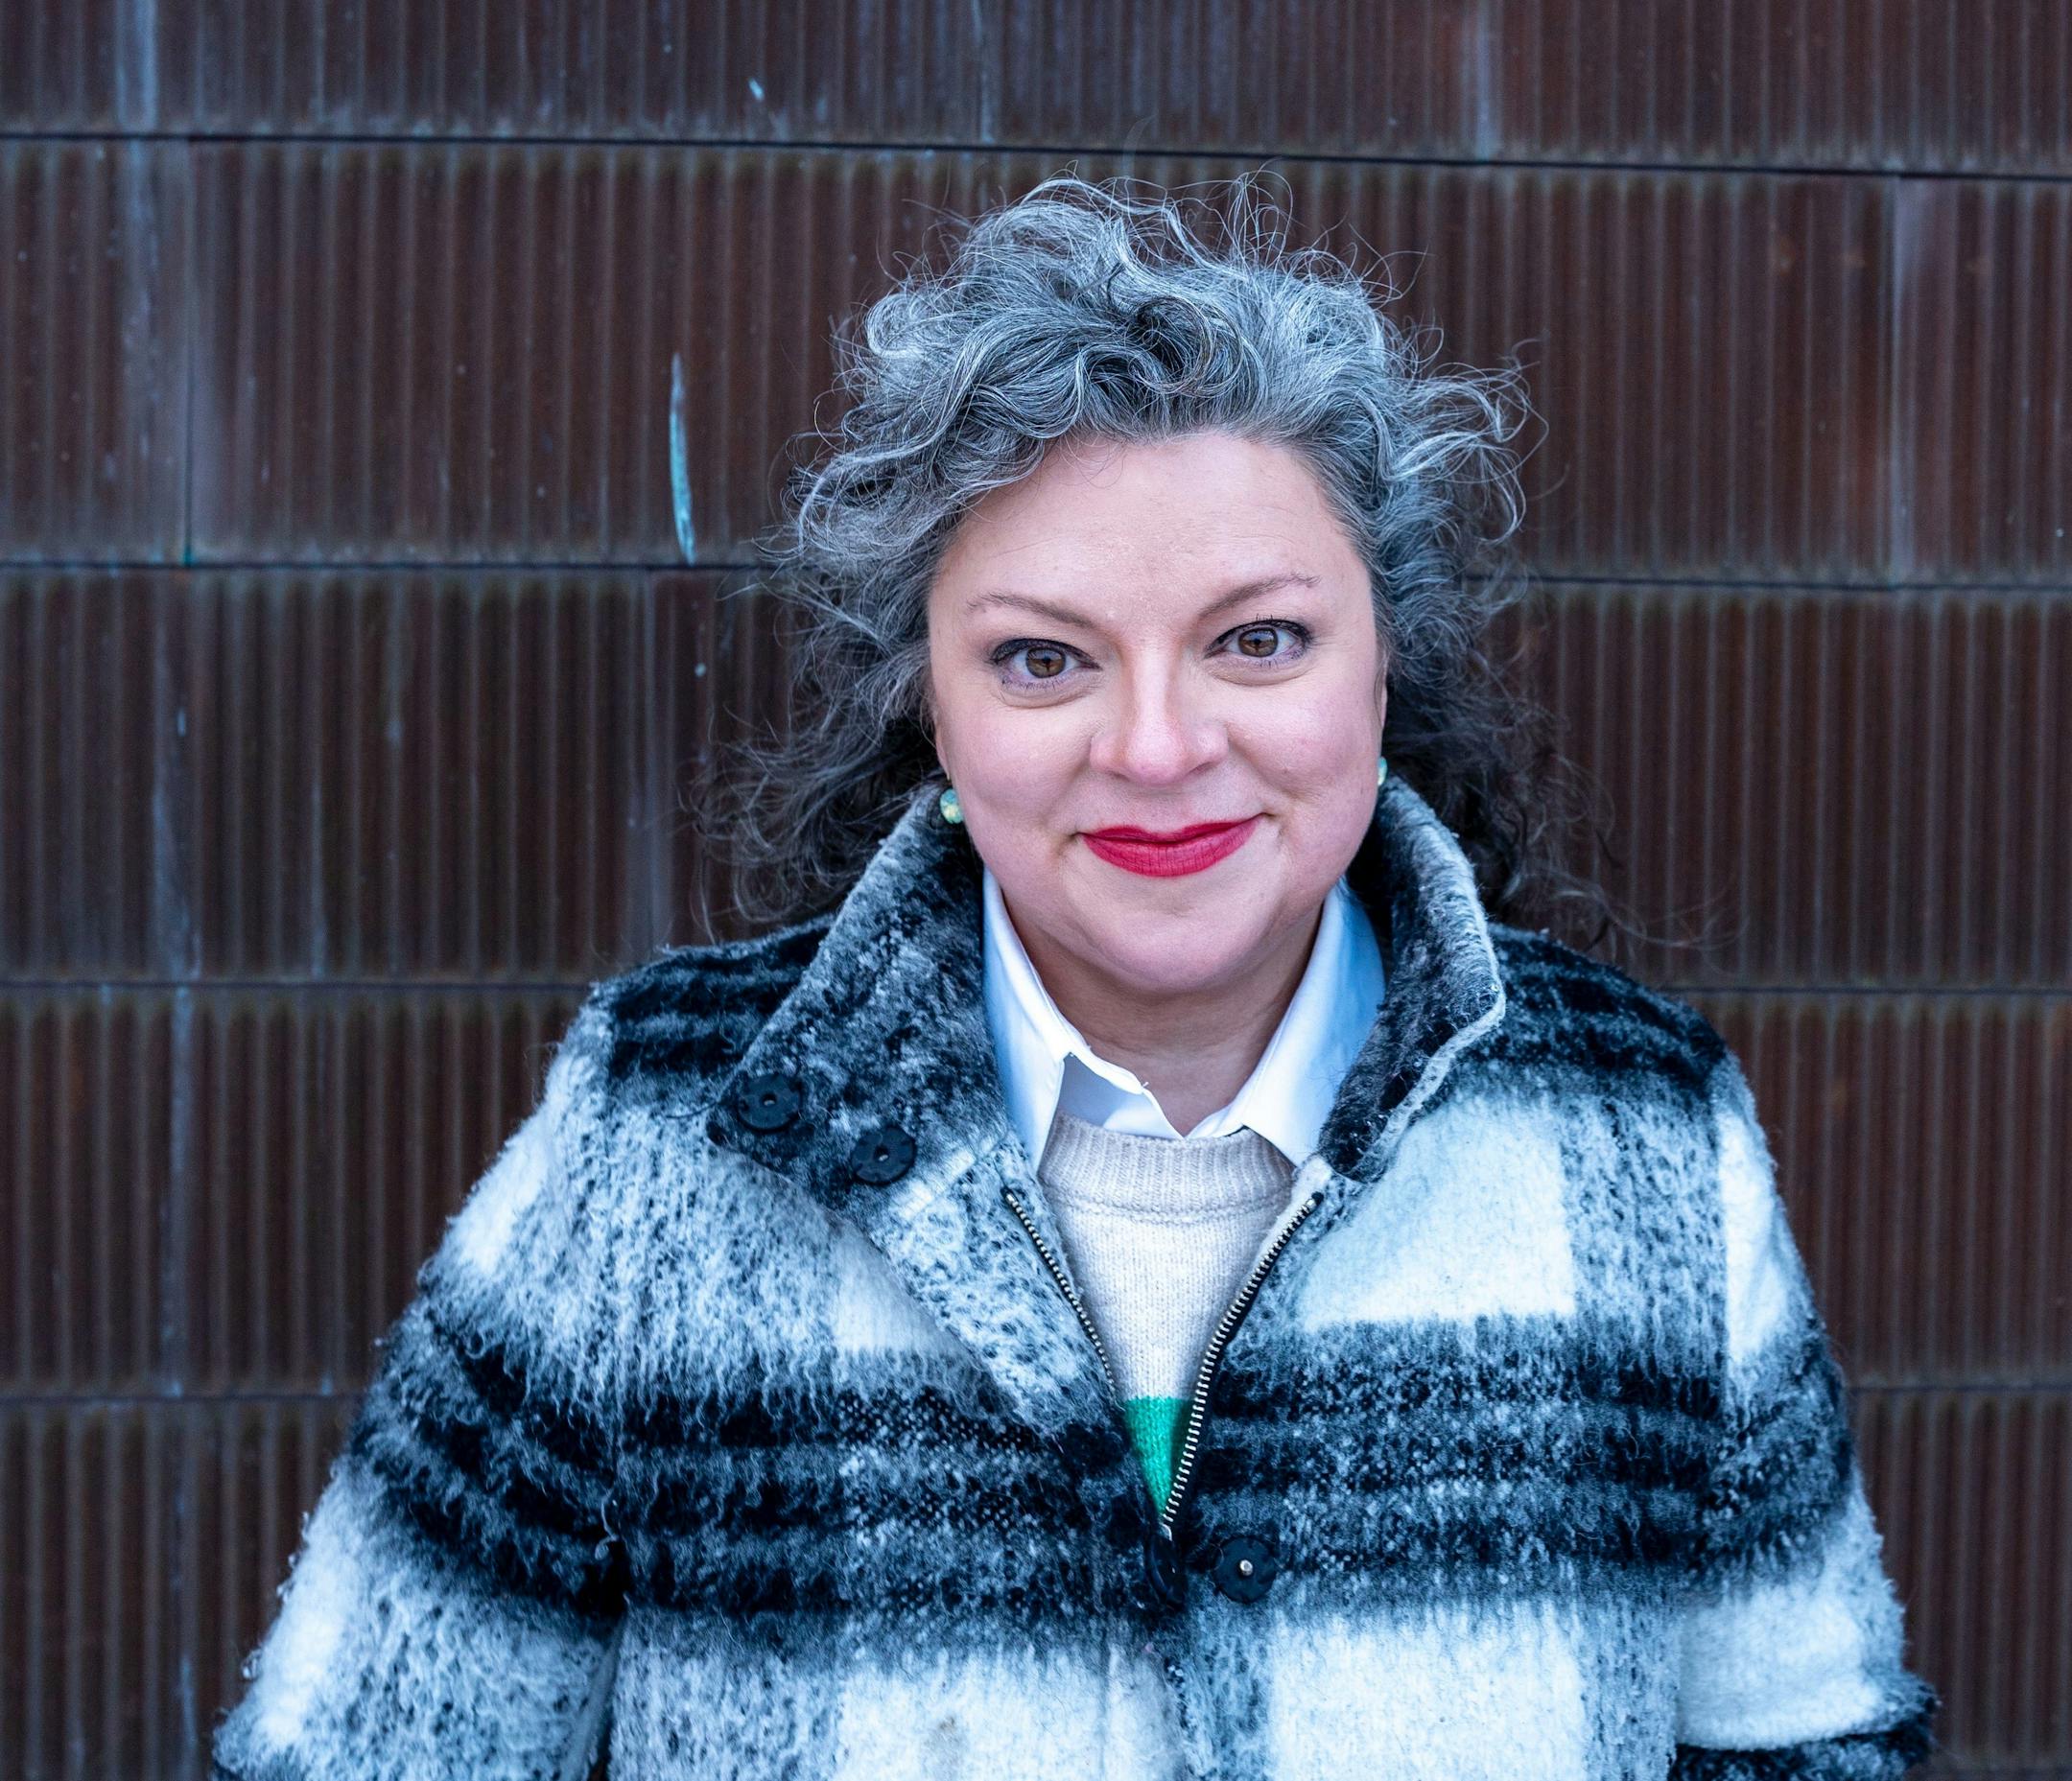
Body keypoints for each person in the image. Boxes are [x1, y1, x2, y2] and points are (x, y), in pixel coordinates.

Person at [210, 172, 1940, 1781]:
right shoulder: (666, 1138)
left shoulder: (1644, 1136)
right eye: (1043, 659)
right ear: (935, 711)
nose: (1160, 746)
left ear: (1382, 667)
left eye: (1258, 639)